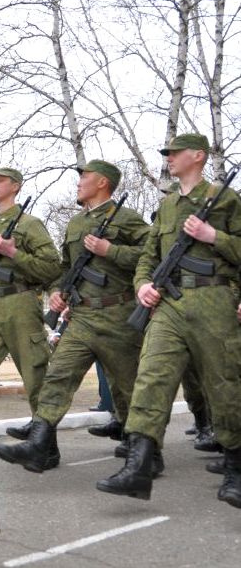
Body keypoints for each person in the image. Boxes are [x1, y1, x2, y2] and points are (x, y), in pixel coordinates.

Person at [96, 134, 241, 508]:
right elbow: (148, 255)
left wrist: (215, 236)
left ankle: (237, 468)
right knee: (152, 375)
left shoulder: (225, 198)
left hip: (214, 298)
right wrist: (143, 283)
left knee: (224, 383)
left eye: (175, 153)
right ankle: (139, 466)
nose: (169, 158)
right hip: (169, 303)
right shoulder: (167, 206)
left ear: (198, 156)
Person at [0, 160, 150, 473]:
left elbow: (151, 255)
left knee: (129, 386)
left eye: (85, 177)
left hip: (118, 315)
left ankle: (146, 452)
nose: (79, 182)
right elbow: (66, 267)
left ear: (102, 182)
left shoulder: (127, 219)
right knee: (58, 375)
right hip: (82, 315)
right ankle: (39, 444)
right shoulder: (76, 224)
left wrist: (110, 250)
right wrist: (57, 290)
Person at [0, 167, 61, 443]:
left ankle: (45, 444)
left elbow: (51, 268)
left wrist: (13, 253)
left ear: (16, 186)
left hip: (22, 306)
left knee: (36, 379)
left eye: (0, 180)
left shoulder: (30, 224)